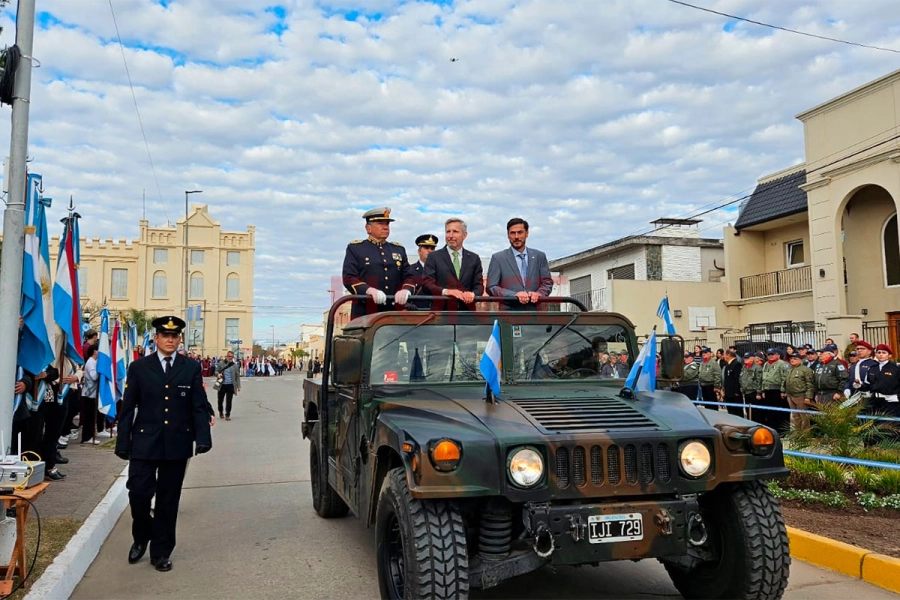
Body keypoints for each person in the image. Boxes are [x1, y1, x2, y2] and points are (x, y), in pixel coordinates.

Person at [115, 316, 213, 572]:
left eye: (174, 336)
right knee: (138, 493)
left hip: (177, 443)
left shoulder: (190, 367)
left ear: (179, 339)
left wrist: (202, 439)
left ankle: (161, 552)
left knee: (168, 501)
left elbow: (198, 405)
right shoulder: (139, 368)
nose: (170, 340)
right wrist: (122, 442)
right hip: (145, 442)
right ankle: (141, 535)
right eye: (164, 335)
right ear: (156, 338)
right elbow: (127, 408)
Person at [342, 207, 415, 319]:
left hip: (394, 312)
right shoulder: (356, 248)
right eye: (380, 223)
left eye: (387, 224)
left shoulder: (398, 249)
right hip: (365, 312)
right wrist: (368, 290)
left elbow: (409, 276)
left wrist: (406, 289)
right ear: (368, 228)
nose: (385, 227)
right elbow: (349, 277)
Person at [487, 218, 553, 311]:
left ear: (527, 233)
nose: (516, 236)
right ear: (508, 235)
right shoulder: (498, 258)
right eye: (512, 233)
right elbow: (491, 287)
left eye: (520, 232)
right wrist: (513, 295)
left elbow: (547, 282)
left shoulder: (539, 256)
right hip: (509, 314)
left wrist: (539, 294)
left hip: (537, 314)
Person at [423, 217, 485, 310]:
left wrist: (473, 294)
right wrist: (445, 291)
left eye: (455, 231)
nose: (450, 235)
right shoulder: (434, 257)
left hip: (467, 314)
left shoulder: (474, 258)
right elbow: (426, 284)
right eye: (448, 232)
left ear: (464, 235)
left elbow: (479, 285)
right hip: (441, 314)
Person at [861, 344, 900, 420]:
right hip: (875, 402)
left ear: (889, 355)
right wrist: (859, 385)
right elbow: (868, 385)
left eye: (883, 352)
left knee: (892, 426)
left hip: (891, 402)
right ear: (875, 354)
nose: (881, 355)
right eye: (879, 352)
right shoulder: (872, 369)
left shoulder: (896, 369)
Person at [760, 349, 790, 433]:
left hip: (777, 390)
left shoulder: (782, 364)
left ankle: (782, 431)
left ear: (778, 355)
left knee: (779, 412)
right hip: (768, 390)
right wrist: (763, 390)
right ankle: (772, 429)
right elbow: (764, 377)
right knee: (770, 412)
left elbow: (785, 378)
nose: (770, 356)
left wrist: (783, 391)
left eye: (772, 354)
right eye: (769, 354)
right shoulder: (766, 364)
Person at [784, 354, 815, 430]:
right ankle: (798, 432)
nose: (792, 360)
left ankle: (805, 434)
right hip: (790, 395)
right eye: (791, 358)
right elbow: (785, 381)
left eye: (795, 358)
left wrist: (808, 396)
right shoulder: (790, 369)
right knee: (795, 415)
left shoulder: (805, 370)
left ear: (800, 360)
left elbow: (810, 384)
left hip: (801, 395)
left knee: (803, 416)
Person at [409, 234, 438, 310]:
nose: (429, 251)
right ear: (419, 251)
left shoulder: (440, 271)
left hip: (437, 314)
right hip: (416, 314)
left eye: (432, 248)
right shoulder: (410, 270)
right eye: (426, 248)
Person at [215, 351, 241, 420]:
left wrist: (238, 386)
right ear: (226, 356)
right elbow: (216, 371)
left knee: (229, 400)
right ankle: (220, 411)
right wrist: (218, 374)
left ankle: (227, 414)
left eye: (232, 357)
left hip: (230, 385)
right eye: (229, 356)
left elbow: (237, 376)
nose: (230, 358)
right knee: (220, 400)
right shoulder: (221, 363)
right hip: (222, 384)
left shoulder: (235, 365)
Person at [739, 351, 763, 420]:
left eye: (747, 358)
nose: (745, 359)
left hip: (754, 392)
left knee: (756, 412)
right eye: (745, 358)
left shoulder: (757, 368)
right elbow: (741, 378)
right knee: (748, 411)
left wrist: (758, 392)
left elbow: (759, 380)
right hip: (746, 392)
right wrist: (742, 390)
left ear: (752, 359)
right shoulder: (744, 367)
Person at [721, 348, 744, 417]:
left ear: (728, 355)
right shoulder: (727, 365)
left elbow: (737, 379)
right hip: (728, 393)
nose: (724, 356)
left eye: (724, 355)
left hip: (734, 394)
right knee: (731, 412)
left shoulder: (736, 364)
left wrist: (737, 392)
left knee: (737, 412)